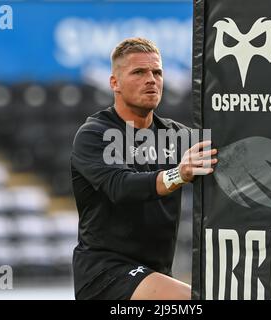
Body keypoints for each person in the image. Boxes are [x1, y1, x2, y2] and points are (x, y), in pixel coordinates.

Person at [71, 37, 217, 300]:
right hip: (106, 277)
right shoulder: (94, 134)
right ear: (114, 83)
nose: (151, 79)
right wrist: (178, 174)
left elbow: (228, 160)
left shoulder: (177, 137)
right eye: (139, 72)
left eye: (157, 72)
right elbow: (121, 186)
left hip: (156, 274)